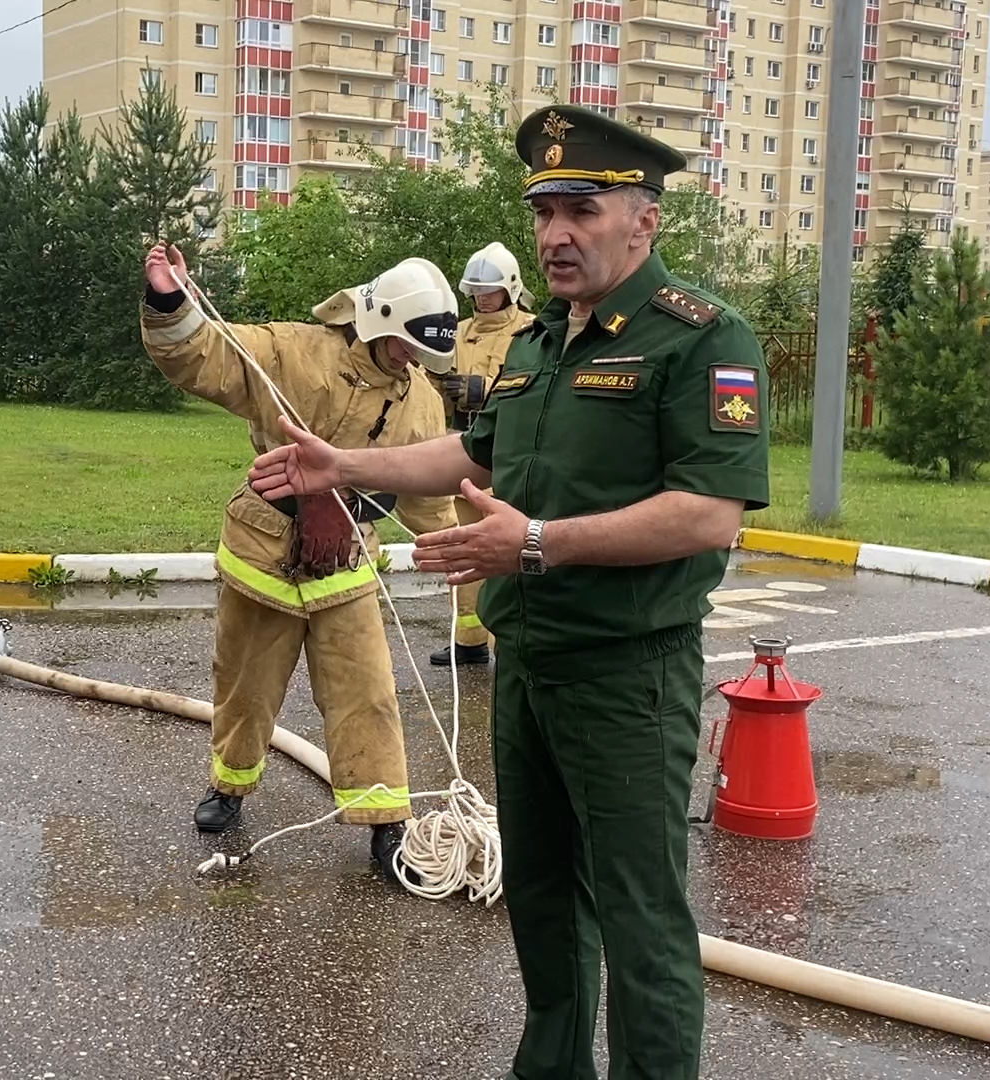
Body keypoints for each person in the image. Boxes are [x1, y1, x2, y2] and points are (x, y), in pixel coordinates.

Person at [245, 105, 771, 1079]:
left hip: (626, 675)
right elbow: (470, 453)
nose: (555, 234)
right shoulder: (536, 344)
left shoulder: (700, 338)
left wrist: (532, 543)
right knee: (541, 902)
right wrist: (341, 465)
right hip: (528, 669)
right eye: (543, 212)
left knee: (640, 919)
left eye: (580, 210)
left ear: (643, 220)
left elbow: (708, 514)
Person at [139, 244, 462, 883]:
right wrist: (169, 302)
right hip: (263, 556)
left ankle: (385, 822)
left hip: (346, 565)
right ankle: (229, 788)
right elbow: (206, 357)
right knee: (245, 686)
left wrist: (457, 550)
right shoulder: (294, 352)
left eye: (421, 351)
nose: (411, 359)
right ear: (377, 319)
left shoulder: (420, 401)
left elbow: (429, 494)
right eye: (404, 344)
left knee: (368, 692)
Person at [433, 242, 537, 668]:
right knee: (465, 549)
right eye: (475, 291)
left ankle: (508, 643)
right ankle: (469, 641)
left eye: (489, 290)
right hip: (464, 450)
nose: (482, 298)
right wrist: (444, 388)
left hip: (510, 455)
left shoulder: (532, 331)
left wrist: (480, 390)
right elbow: (431, 380)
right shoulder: (458, 332)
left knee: (509, 555)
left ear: (509, 289)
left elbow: (531, 388)